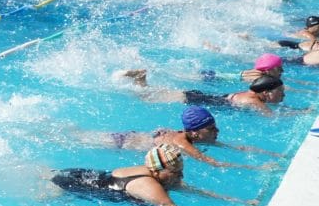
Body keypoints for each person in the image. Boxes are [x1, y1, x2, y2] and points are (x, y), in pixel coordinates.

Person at [51, 144, 247, 206]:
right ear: (159, 172)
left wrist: (237, 201)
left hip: (80, 173)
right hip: (74, 185)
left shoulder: (155, 172)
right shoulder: (150, 186)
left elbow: (189, 189)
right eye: (176, 173)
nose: (180, 177)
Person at [79, 106, 274, 169]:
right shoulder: (182, 143)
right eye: (211, 129)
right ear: (195, 132)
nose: (217, 132)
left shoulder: (190, 136)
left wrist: (270, 154)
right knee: (76, 137)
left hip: (131, 136)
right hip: (118, 142)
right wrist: (256, 168)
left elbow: (230, 147)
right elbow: (211, 162)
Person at [118, 69, 285, 116]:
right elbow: (271, 117)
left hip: (196, 96)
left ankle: (140, 79)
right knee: (142, 98)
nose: (283, 96)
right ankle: (138, 80)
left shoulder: (249, 94)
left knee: (147, 95)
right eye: (280, 92)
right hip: (189, 100)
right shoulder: (253, 101)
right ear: (266, 92)